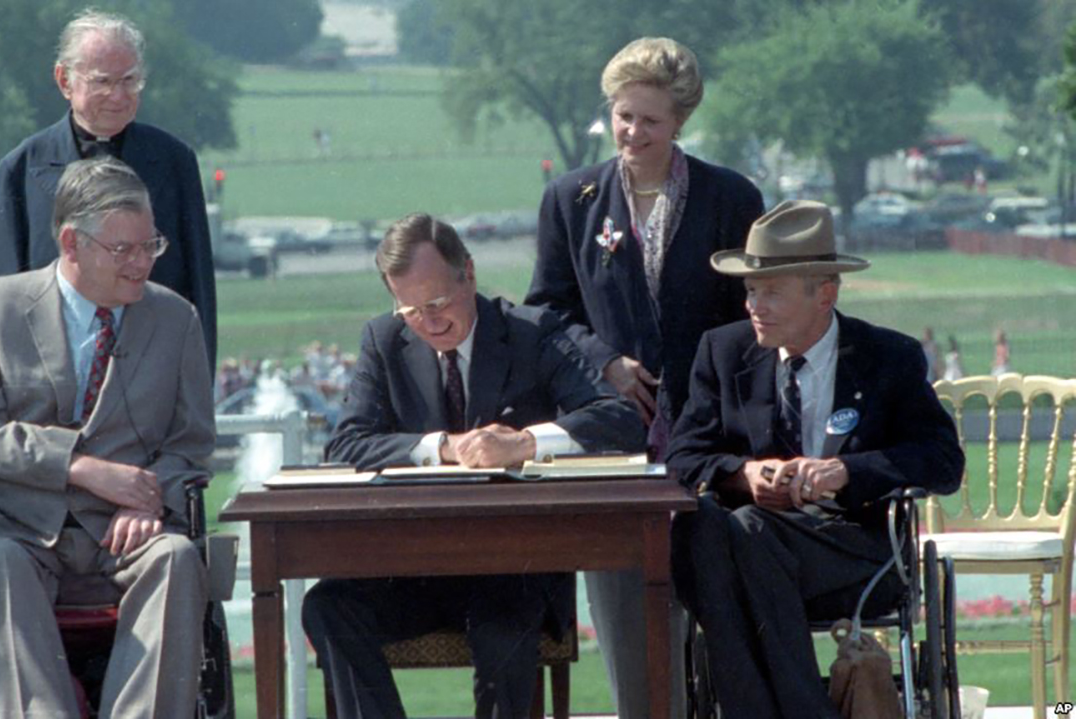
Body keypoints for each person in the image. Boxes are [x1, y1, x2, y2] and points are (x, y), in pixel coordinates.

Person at [304, 213, 642, 719]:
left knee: (503, 625)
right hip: (414, 568)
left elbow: (618, 419)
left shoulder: (531, 333)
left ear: (470, 272)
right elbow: (348, 443)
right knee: (328, 608)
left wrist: (525, 444)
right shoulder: (383, 340)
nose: (430, 321)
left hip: (514, 567)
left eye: (439, 302)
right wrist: (441, 446)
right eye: (412, 310)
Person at [522, 36, 764, 718]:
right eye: (623, 116)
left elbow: (754, 313)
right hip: (611, 441)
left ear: (680, 121)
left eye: (649, 121)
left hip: (711, 434)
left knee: (714, 600)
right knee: (629, 616)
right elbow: (546, 310)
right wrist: (604, 360)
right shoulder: (571, 199)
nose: (632, 132)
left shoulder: (730, 196)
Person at [666, 200, 964, 718]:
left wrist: (847, 470)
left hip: (853, 549)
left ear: (824, 294)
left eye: (772, 292)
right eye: (751, 290)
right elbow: (683, 456)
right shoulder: (722, 351)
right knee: (705, 528)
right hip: (752, 544)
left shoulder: (887, 357)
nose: (754, 306)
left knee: (739, 534)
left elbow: (942, 461)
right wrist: (745, 474)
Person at [0, 157, 214, 718]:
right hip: (25, 527)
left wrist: (152, 498)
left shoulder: (176, 320)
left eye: (151, 246)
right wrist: (81, 468)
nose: (142, 263)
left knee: (177, 557)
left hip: (128, 533)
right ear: (72, 242)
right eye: (124, 250)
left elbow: (190, 442)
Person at [0, 9, 217, 374]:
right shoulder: (21, 169)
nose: (118, 96)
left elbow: (198, 287)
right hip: (51, 382)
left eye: (129, 80)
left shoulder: (174, 162)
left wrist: (200, 391)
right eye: (102, 82)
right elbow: (0, 300)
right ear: (64, 80)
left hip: (151, 376)